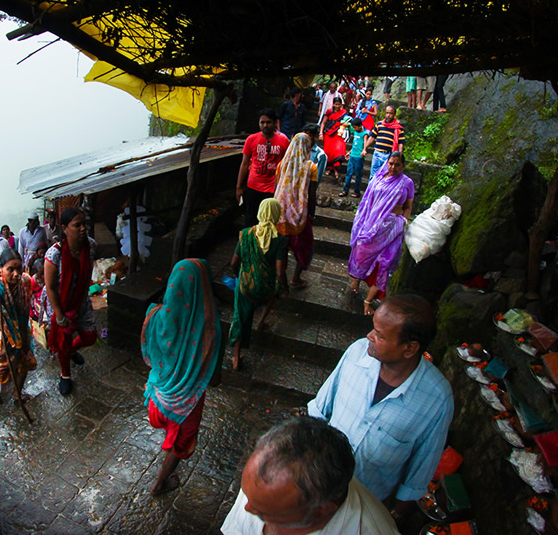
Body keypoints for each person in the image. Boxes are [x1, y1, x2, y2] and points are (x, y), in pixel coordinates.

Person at [307, 295, 453, 529]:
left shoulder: (437, 399)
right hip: (317, 482)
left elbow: (419, 473)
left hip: (366, 507)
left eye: (380, 335)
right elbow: (319, 410)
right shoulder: (356, 353)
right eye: (373, 329)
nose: (369, 337)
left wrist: (391, 518)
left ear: (410, 348)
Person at [221, 417, 399, 535]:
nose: (247, 508)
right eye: (247, 493)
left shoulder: (369, 529)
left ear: (321, 511)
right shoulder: (261, 484)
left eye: (264, 513)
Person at [141, 258, 223, 496]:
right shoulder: (211, 333)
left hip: (157, 401)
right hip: (185, 409)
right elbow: (215, 379)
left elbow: (150, 354)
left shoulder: (155, 316)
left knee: (170, 432)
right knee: (179, 445)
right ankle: (159, 483)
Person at [347, 152, 414, 313]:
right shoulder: (378, 178)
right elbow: (367, 202)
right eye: (391, 163)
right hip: (371, 227)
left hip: (392, 229)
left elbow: (408, 206)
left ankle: (368, 301)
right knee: (361, 255)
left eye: (397, 164)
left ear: (403, 166)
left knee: (384, 263)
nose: (393, 167)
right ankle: (356, 280)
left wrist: (403, 221)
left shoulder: (407, 183)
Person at [228, 198, 288, 371]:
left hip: (246, 286)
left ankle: (236, 357)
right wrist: (284, 287)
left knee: (240, 317)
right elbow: (279, 272)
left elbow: (233, 263)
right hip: (266, 286)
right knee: (273, 293)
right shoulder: (281, 240)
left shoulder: (246, 234)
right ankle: (261, 321)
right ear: (276, 214)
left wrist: (240, 275)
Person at [44, 207, 99, 396]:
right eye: (77, 225)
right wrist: (59, 315)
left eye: (84, 224)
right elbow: (51, 287)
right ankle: (65, 374)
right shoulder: (54, 254)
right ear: (65, 228)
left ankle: (70, 351)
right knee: (62, 342)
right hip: (61, 305)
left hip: (81, 301)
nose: (83, 228)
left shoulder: (90, 246)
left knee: (90, 337)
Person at [0, 248, 37, 407]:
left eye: (19, 268)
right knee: (0, 365)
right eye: (10, 269)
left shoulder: (24, 281)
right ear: (1, 269)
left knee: (25, 356)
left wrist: (23, 334)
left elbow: (25, 308)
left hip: (19, 324)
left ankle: (17, 393)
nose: (16, 273)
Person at [274, 133, 317, 290]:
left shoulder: (281, 165)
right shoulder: (311, 168)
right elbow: (312, 194)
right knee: (306, 246)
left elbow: (276, 188)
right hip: (299, 214)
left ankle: (280, 277)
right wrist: (311, 213)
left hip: (279, 214)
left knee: (281, 246)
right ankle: (296, 278)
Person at [236, 109, 290, 227]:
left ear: (275, 123)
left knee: (268, 221)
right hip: (253, 185)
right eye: (262, 122)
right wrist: (239, 186)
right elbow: (244, 164)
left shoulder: (283, 141)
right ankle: (249, 243)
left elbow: (286, 166)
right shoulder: (251, 139)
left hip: (272, 188)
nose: (265, 125)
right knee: (250, 218)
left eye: (268, 122)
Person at [362, 104, 406, 181]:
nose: (388, 115)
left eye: (391, 113)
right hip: (377, 153)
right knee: (373, 176)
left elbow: (400, 143)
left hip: (389, 156)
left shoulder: (398, 128)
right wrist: (365, 148)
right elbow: (372, 137)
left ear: (394, 115)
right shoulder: (379, 125)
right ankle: (371, 192)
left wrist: (399, 155)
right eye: (387, 113)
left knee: (386, 176)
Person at [319, 97, 349, 179]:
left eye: (338, 104)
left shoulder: (344, 113)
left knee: (339, 150)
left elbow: (348, 122)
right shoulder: (329, 112)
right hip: (328, 133)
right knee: (328, 151)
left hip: (338, 134)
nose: (337, 106)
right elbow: (323, 123)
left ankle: (336, 169)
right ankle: (329, 167)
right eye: (335, 104)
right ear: (333, 104)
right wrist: (321, 133)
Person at [340, 124, 369, 198]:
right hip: (352, 155)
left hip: (359, 157)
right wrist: (349, 153)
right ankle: (345, 190)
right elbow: (354, 145)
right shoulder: (355, 133)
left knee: (358, 175)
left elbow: (365, 144)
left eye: (356, 127)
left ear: (360, 126)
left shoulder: (364, 134)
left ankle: (357, 191)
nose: (355, 129)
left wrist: (364, 150)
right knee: (348, 173)